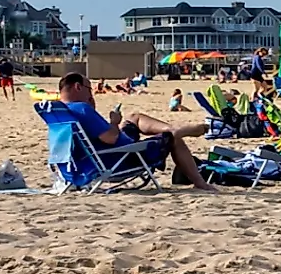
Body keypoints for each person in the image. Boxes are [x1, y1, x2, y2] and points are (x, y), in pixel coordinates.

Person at [55, 73, 210, 188]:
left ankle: (173, 129)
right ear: (77, 87)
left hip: (83, 163)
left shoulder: (58, 112)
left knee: (133, 118)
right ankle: (200, 182)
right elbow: (110, 138)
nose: (91, 93)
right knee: (173, 139)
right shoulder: (81, 109)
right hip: (121, 158)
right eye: (89, 89)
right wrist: (114, 122)